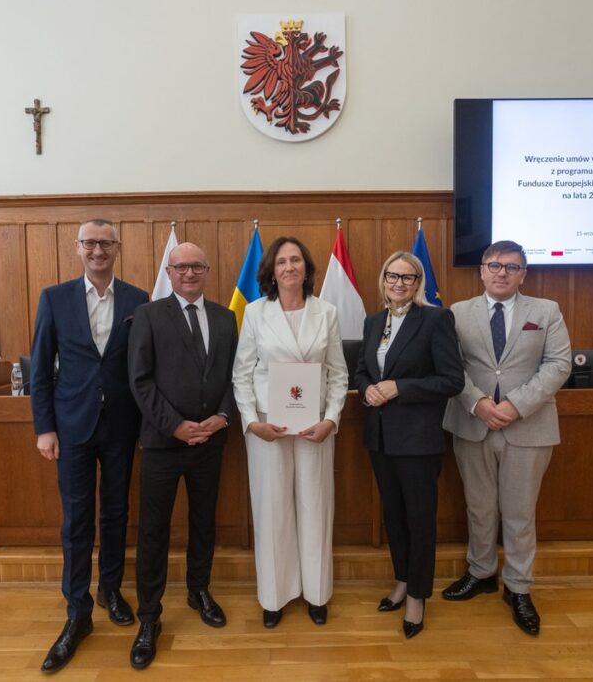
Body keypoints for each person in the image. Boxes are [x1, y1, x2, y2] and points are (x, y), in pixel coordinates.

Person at [30, 219, 149, 673]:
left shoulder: (138, 299)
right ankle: (77, 612)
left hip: (121, 425)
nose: (98, 250)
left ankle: (111, 590)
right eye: (90, 243)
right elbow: (40, 367)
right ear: (78, 248)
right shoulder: (55, 298)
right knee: (77, 519)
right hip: (71, 426)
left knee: (116, 513)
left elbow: (143, 365)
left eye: (105, 243)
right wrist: (45, 427)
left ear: (117, 248)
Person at [441, 240, 571, 636]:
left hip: (527, 426)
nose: (502, 273)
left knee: (519, 513)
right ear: (481, 270)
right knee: (479, 507)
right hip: (472, 423)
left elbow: (559, 364)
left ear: (523, 274)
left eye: (511, 267)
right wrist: (478, 402)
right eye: (494, 265)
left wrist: (515, 405)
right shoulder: (457, 313)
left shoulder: (546, 311)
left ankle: (518, 588)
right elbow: (450, 366)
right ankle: (481, 573)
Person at [126, 243, 238, 670]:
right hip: (162, 444)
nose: (189, 273)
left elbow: (235, 375)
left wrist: (222, 417)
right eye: (181, 267)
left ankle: (199, 590)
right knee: (154, 532)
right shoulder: (149, 314)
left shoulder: (227, 318)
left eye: (196, 266)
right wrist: (175, 425)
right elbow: (139, 380)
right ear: (169, 272)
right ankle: (149, 617)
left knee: (203, 523)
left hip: (211, 442)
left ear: (207, 271)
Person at [232, 236, 348, 629]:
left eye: (296, 259)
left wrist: (331, 419)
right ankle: (275, 596)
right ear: (271, 271)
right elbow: (241, 374)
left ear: (307, 268)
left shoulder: (326, 312)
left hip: (314, 424)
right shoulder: (254, 313)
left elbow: (338, 374)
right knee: (272, 509)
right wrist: (251, 422)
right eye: (281, 261)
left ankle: (316, 594)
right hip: (269, 426)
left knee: (316, 506)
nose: (289, 267)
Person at [354, 251, 464, 639]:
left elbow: (452, 381)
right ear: (383, 280)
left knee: (419, 520)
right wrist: (368, 389)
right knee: (394, 517)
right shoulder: (373, 322)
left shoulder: (435, 319)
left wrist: (400, 387)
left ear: (418, 284)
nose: (398, 284)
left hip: (418, 441)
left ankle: (418, 596)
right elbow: (362, 370)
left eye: (407, 277)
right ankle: (401, 580)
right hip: (380, 438)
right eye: (392, 276)